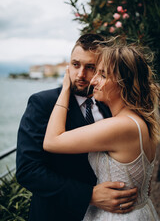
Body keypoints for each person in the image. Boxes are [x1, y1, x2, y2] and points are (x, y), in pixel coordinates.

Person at [16, 34, 137, 221]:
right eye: (75, 64)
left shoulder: (110, 105)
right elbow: (27, 170)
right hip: (57, 214)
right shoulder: (43, 103)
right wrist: (89, 195)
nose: (80, 75)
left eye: (90, 67)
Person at [43, 37, 160, 220]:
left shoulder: (120, 126)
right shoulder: (137, 120)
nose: (93, 80)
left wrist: (65, 88)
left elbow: (51, 141)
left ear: (123, 83)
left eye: (103, 75)